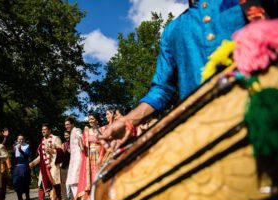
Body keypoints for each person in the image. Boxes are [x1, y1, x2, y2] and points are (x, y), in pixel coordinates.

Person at [99, 0, 248, 150]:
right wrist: (128, 121)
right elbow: (162, 89)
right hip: (200, 131)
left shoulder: (244, 3)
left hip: (257, 115)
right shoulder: (172, 30)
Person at [75, 113, 106, 200]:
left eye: (92, 119)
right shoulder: (86, 131)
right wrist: (80, 140)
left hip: (99, 157)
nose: (91, 121)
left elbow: (105, 143)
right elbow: (83, 148)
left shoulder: (102, 130)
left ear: (97, 120)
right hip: (89, 158)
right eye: (89, 119)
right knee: (90, 179)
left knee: (98, 178)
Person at [29, 124, 63, 200]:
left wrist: (53, 151)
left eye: (45, 129)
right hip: (44, 167)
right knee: (41, 185)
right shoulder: (42, 141)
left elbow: (61, 151)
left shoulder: (56, 138)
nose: (43, 131)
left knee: (56, 185)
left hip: (53, 166)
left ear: (49, 130)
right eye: (42, 130)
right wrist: (33, 163)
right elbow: (40, 157)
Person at [65, 117, 82, 200]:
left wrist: (81, 147)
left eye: (68, 124)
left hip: (78, 159)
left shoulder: (76, 130)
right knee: (72, 182)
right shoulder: (71, 132)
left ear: (72, 124)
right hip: (73, 159)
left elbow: (81, 137)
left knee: (75, 181)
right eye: (65, 125)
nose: (66, 126)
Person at [12, 134, 31, 200]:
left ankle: (28, 199)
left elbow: (27, 156)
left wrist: (20, 149)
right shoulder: (15, 146)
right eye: (19, 139)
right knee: (16, 183)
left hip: (24, 166)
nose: (21, 140)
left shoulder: (27, 146)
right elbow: (13, 157)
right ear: (17, 140)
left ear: (24, 139)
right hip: (17, 167)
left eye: (22, 139)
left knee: (25, 183)